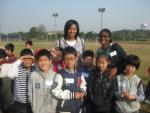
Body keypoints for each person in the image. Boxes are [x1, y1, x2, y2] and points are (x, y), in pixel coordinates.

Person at [52, 47, 86, 113]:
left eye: (72, 58)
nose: (69, 61)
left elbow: (83, 85)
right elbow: (55, 91)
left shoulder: (79, 73)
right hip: (65, 109)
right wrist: (71, 95)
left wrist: (83, 91)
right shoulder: (60, 74)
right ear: (63, 60)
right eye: (66, 59)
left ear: (76, 58)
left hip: (78, 107)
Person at [0, 48, 35, 113]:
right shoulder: (17, 69)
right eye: (25, 59)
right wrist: (18, 61)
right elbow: (7, 72)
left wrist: (34, 59)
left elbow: (42, 66)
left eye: (29, 59)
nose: (27, 61)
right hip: (19, 103)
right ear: (21, 59)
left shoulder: (34, 69)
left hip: (31, 102)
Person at [28, 49, 58, 113]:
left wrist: (54, 107)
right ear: (37, 62)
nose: (43, 63)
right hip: (37, 110)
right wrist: (33, 106)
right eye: (40, 60)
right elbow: (30, 93)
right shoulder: (33, 75)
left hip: (52, 110)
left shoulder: (55, 76)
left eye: (45, 60)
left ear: (50, 61)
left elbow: (57, 93)